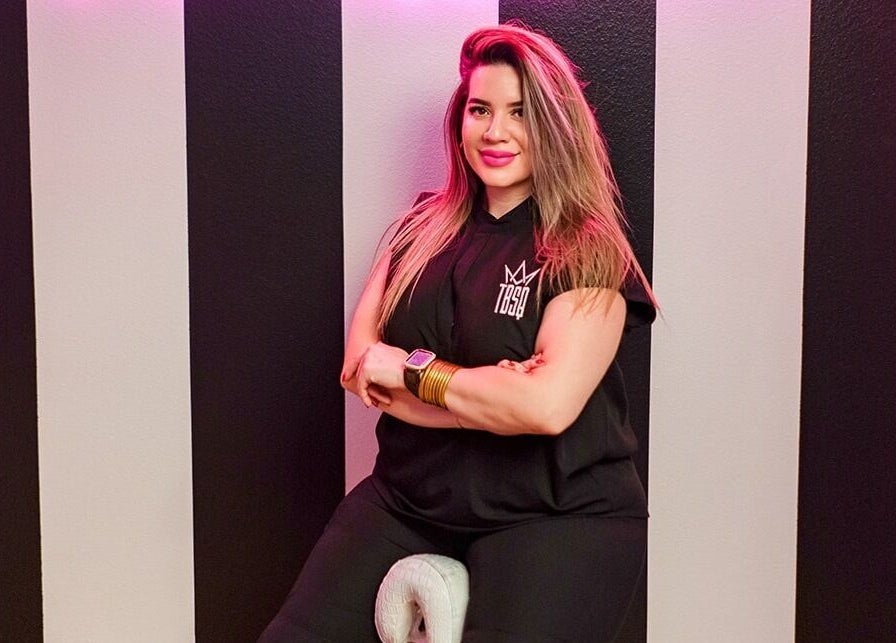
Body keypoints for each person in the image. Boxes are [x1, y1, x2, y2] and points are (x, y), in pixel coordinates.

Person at [259, 22, 657, 642]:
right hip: (409, 500)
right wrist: (490, 399)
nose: (495, 132)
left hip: (557, 515)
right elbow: (362, 368)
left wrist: (416, 370)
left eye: (520, 113)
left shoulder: (587, 249)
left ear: (554, 127)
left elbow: (547, 409)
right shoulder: (418, 229)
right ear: (460, 119)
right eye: (480, 109)